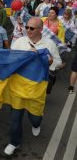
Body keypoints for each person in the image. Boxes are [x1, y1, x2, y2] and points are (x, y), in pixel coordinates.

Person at [4, 17, 62, 156]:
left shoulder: (49, 44)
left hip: (36, 89)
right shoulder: (19, 42)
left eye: (32, 28)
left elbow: (58, 62)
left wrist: (50, 61)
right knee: (15, 118)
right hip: (18, 87)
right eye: (27, 27)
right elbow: (10, 59)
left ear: (41, 29)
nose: (27, 30)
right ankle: (14, 141)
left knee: (35, 117)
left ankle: (36, 124)